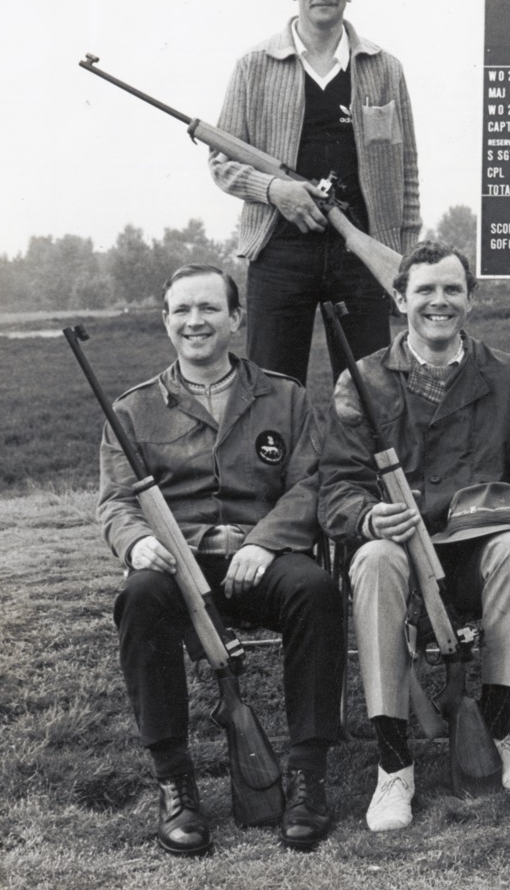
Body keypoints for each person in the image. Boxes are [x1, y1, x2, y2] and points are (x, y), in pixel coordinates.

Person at [317, 241, 510, 830]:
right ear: (400, 297)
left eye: (453, 289)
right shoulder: (361, 381)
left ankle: (498, 730)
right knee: (375, 560)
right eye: (426, 290)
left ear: (471, 299)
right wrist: (367, 517)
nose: (439, 301)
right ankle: (393, 764)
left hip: (481, 546)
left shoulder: (507, 372)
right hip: (405, 552)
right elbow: (336, 484)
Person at [98, 264, 344, 855]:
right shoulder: (131, 411)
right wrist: (136, 542)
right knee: (139, 596)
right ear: (165, 322)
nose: (195, 321)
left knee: (315, 589)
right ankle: (175, 782)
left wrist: (264, 540)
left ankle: (307, 776)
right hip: (178, 569)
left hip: (260, 559)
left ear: (236, 319)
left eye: (209, 308)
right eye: (181, 310)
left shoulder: (285, 395)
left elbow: (309, 483)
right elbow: (114, 502)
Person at [209, 0, 421, 386]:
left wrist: (403, 254)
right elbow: (222, 161)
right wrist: (274, 190)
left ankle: (368, 461)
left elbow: (407, 171)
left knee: (372, 389)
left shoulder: (385, 68)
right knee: (271, 388)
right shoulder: (254, 66)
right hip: (278, 248)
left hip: (362, 248)